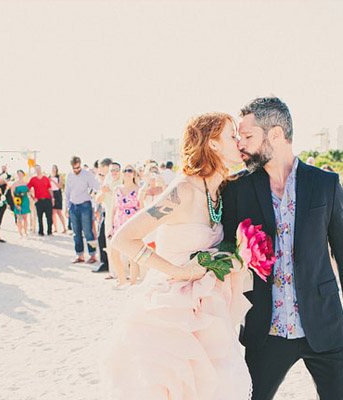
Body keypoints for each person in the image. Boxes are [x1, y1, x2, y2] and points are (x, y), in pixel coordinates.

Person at [223, 97, 343, 400]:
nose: (241, 145)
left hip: (325, 328)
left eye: (248, 136)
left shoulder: (325, 184)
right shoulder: (237, 188)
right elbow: (225, 248)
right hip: (266, 331)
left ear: (275, 134)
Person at [100, 112, 252, 399]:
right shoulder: (182, 190)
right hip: (171, 311)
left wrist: (236, 258)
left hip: (208, 311)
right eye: (231, 135)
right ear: (213, 145)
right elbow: (124, 239)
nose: (239, 141)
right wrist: (180, 272)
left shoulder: (219, 192)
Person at [110, 164, 141, 286]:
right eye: (125, 170)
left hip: (132, 223)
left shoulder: (138, 189)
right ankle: (122, 279)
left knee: (132, 256)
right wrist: (111, 227)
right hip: (118, 223)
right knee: (114, 253)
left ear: (134, 174)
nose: (127, 172)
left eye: (130, 170)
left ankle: (133, 283)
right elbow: (113, 209)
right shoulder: (117, 188)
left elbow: (141, 208)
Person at [65, 156, 100, 264]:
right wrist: (66, 207)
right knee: (76, 233)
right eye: (74, 168)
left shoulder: (87, 174)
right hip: (73, 206)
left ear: (80, 164)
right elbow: (67, 192)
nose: (76, 170)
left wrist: (93, 198)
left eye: (78, 167)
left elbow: (96, 187)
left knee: (88, 231)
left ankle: (93, 255)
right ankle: (80, 255)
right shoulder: (69, 175)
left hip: (85, 205)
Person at [27, 165, 53, 236]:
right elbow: (27, 189)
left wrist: (52, 198)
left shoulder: (46, 178)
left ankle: (49, 231)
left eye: (39, 169)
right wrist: (33, 197)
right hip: (38, 201)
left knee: (49, 217)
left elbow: (50, 189)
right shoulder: (33, 179)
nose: (38, 170)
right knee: (40, 217)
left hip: (47, 200)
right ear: (35, 170)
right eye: (36, 169)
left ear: (41, 169)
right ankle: (41, 231)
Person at [10, 170, 31, 238]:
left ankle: (25, 231)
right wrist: (16, 204)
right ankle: (20, 232)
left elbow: (29, 192)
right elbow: (12, 194)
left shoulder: (26, 183)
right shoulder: (14, 184)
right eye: (18, 174)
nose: (19, 175)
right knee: (19, 218)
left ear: (23, 174)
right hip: (18, 201)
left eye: (21, 174)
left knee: (25, 217)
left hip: (25, 201)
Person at [50, 165, 67, 234]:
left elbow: (60, 186)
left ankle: (64, 228)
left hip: (58, 194)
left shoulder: (58, 176)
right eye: (52, 168)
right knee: (53, 213)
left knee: (59, 212)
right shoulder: (49, 177)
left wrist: (53, 181)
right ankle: (55, 228)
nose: (53, 169)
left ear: (57, 169)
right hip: (52, 194)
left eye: (54, 168)